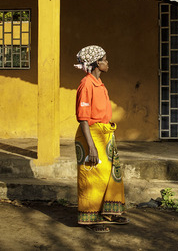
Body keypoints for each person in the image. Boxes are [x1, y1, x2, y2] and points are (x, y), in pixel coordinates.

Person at [74, 45, 128, 233]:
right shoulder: (86, 84)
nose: (107, 62)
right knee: (93, 177)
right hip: (92, 135)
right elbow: (83, 117)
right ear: (97, 63)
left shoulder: (99, 84)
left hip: (105, 134)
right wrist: (91, 147)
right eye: (105, 59)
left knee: (112, 174)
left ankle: (108, 211)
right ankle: (89, 217)